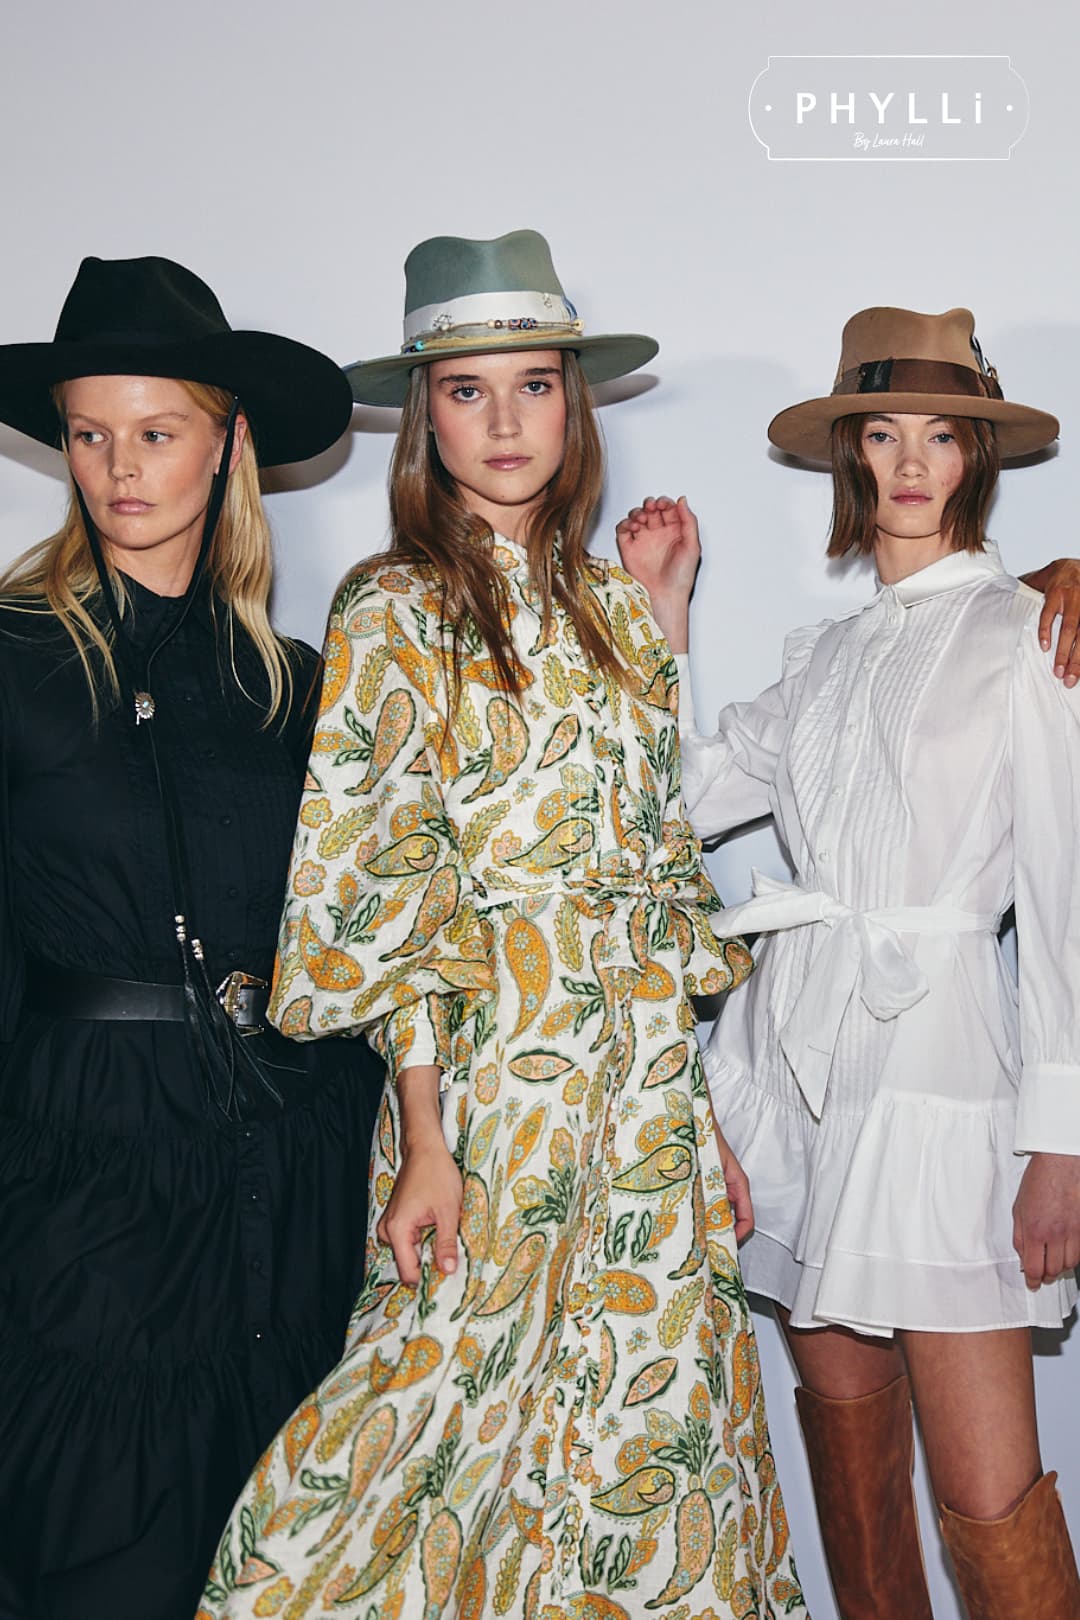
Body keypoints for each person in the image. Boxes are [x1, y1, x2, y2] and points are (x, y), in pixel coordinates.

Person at [199, 230, 807, 1619]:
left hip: (641, 1087)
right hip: (486, 1076)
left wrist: (697, 1117)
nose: (507, 420)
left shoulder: (609, 607)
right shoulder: (392, 608)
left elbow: (655, 860)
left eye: (533, 384)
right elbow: (388, 875)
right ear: (427, 416)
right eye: (469, 392)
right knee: (435, 1414)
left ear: (572, 402)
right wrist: (423, 1133)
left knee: (641, 1438)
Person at [616, 306, 1080, 1619]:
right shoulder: (818, 658)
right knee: (849, 1450)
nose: (913, 460)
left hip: (941, 1072)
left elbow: (1062, 896)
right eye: (884, 433)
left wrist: (1065, 1133)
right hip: (793, 1069)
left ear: (977, 455)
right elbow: (669, 804)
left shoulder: (1031, 632)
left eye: (943, 434)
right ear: (854, 456)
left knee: (993, 1493)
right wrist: (663, 621)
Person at [0, 255, 382, 1620]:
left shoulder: (296, 692)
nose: (117, 468)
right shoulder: (13, 656)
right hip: (86, 1180)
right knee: (105, 1559)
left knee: (271, 1557)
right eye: (90, 434)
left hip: (285, 1173)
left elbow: (374, 944)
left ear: (225, 444)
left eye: (154, 432)